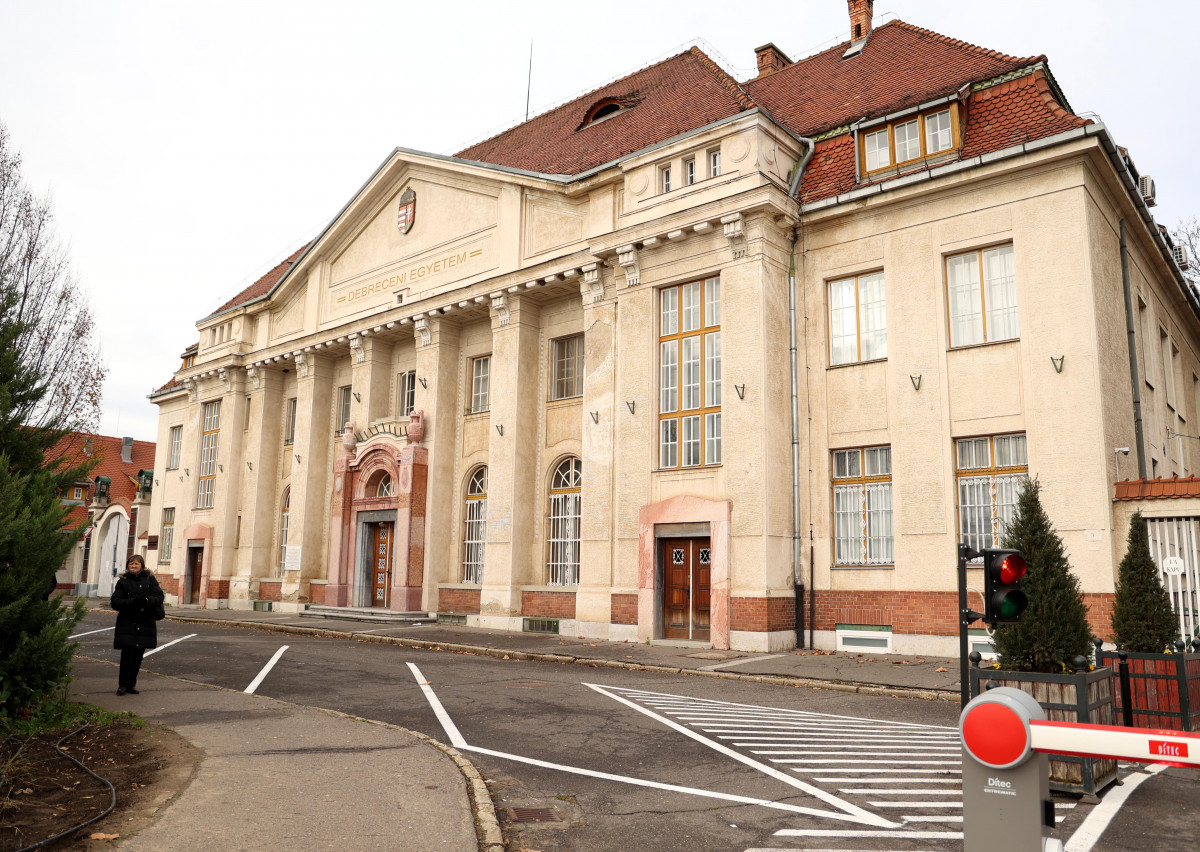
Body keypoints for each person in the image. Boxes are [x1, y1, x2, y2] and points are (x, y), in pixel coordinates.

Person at [110, 554, 163, 695]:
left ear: (142, 566)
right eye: (131, 564)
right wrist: (132, 602)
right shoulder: (123, 581)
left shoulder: (149, 579)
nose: (133, 566)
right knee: (127, 655)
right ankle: (122, 685)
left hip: (145, 623)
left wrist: (147, 600)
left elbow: (159, 597)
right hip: (127, 623)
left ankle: (131, 685)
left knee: (138, 656)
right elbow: (115, 602)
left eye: (136, 564)